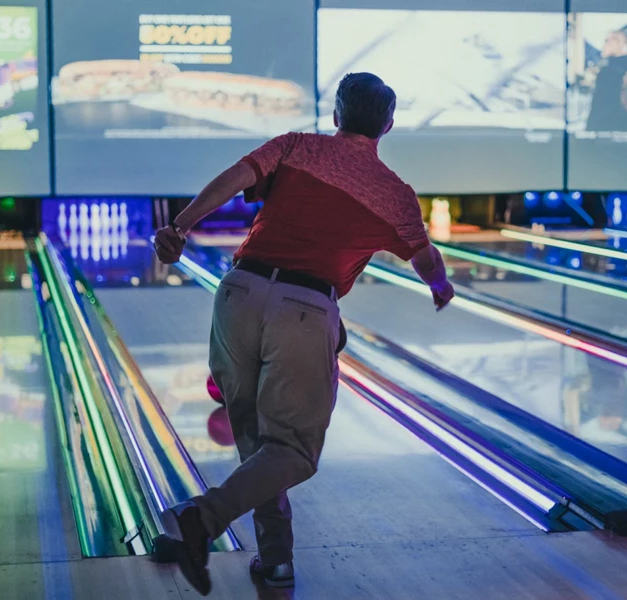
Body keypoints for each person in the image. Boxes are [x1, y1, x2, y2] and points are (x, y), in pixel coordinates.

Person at [152, 72, 455, 595]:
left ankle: (276, 562)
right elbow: (426, 259)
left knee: (258, 447)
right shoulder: (397, 195)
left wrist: (179, 227)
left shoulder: (294, 146)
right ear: (387, 124)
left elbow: (232, 178)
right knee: (293, 451)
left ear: (336, 116)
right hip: (304, 310)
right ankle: (199, 520)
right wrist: (441, 285)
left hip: (237, 295)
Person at [584, 31, 627, 132]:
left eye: (608, 41)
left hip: (605, 132)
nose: (604, 45)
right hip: (619, 132)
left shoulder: (611, 71)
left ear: (620, 44)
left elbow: (600, 110)